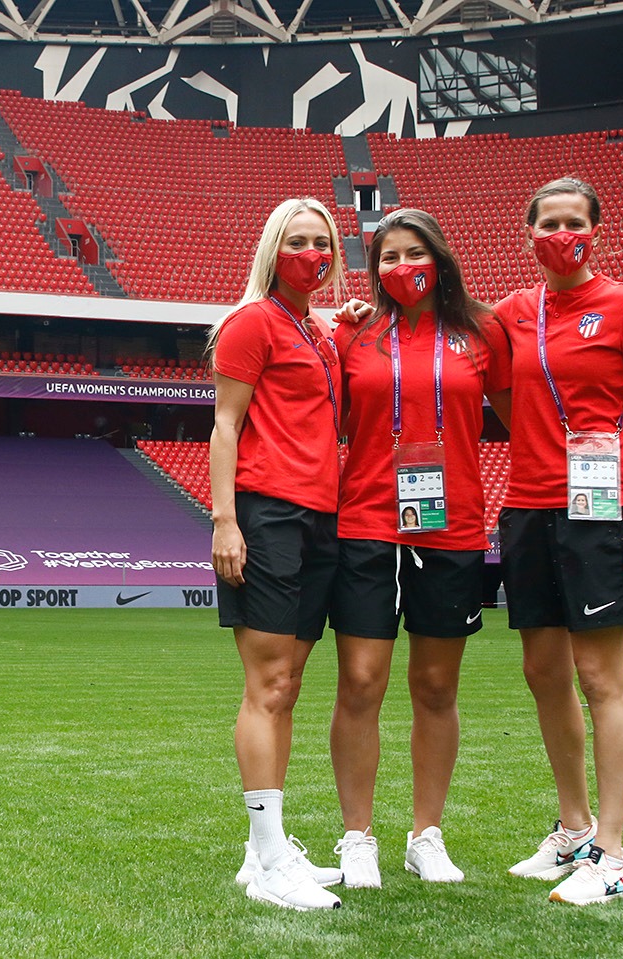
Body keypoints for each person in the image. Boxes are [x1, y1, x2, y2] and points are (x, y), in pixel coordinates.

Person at [487, 177, 623, 906]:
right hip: (528, 508)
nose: (561, 233)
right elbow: (491, 384)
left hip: (599, 511)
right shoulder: (510, 314)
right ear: (527, 233)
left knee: (600, 677)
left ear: (594, 230)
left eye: (574, 222)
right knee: (542, 671)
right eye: (548, 223)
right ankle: (572, 828)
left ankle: (613, 852)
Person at [327, 209, 511, 888]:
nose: (401, 266)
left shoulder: (483, 332)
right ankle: (356, 836)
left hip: (452, 526)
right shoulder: (354, 331)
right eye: (387, 256)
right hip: (366, 525)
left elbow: (527, 416)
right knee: (360, 683)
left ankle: (424, 834)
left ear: (439, 256)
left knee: (435, 686)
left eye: (414, 252)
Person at [209, 196, 353, 911]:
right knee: (266, 684)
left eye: (321, 241)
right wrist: (224, 520)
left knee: (288, 683)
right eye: (297, 240)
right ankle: (269, 863)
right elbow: (225, 425)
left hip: (318, 518)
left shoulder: (316, 331)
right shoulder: (250, 323)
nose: (311, 253)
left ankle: (259, 850)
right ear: (272, 248)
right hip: (265, 514)